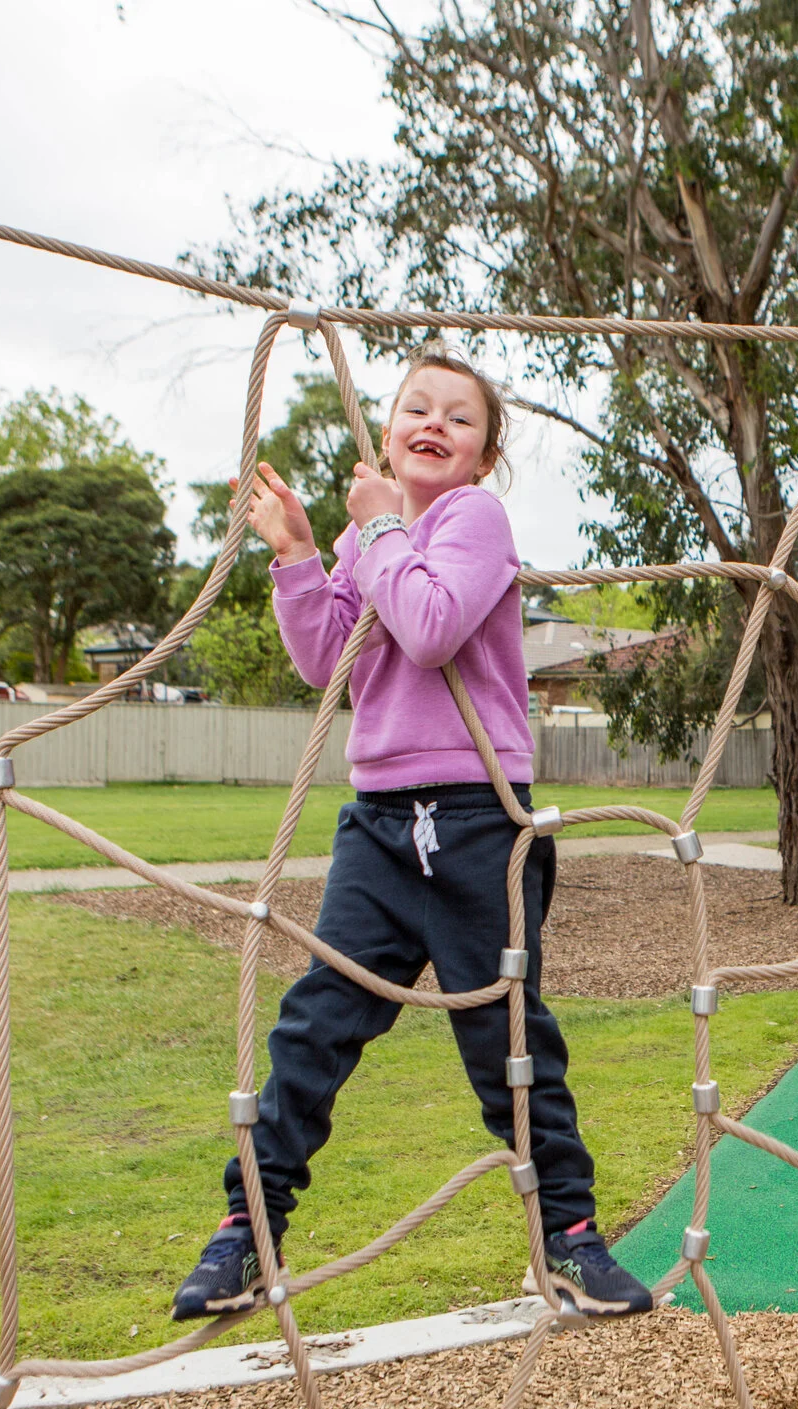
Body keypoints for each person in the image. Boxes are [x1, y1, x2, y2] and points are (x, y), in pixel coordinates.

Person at [169, 345, 652, 1322]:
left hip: (477, 822)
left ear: (481, 453)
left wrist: (381, 524)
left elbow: (429, 626)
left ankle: (567, 1235)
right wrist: (304, 552)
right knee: (315, 1023)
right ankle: (247, 1231)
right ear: (386, 430)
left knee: (509, 1041)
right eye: (415, 408)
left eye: (458, 417)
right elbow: (323, 658)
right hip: (382, 828)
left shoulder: (471, 519)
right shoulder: (371, 537)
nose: (433, 423)